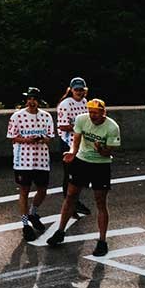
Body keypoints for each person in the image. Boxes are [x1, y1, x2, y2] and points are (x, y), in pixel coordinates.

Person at [48, 98, 120, 255]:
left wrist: (101, 149)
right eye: (90, 112)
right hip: (82, 161)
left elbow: (109, 152)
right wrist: (72, 153)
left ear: (103, 113)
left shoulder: (112, 127)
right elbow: (76, 139)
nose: (92, 116)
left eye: (96, 113)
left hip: (101, 164)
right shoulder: (81, 119)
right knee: (71, 195)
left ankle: (102, 241)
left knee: (100, 201)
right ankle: (60, 231)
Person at [6, 87, 57, 238]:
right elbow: (12, 137)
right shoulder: (17, 116)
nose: (31, 101)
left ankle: (33, 212)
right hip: (23, 160)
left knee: (42, 190)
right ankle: (25, 223)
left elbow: (50, 137)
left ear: (38, 100)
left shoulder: (46, 116)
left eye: (34, 99)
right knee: (24, 191)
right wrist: (28, 140)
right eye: (29, 98)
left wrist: (41, 139)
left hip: (41, 159)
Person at [54, 78, 93, 220]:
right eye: (76, 89)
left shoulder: (85, 102)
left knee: (80, 174)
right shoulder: (65, 104)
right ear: (71, 90)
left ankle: (75, 202)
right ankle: (70, 204)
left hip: (81, 142)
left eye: (81, 89)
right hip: (67, 142)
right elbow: (62, 126)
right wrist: (80, 128)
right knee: (69, 175)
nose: (79, 92)